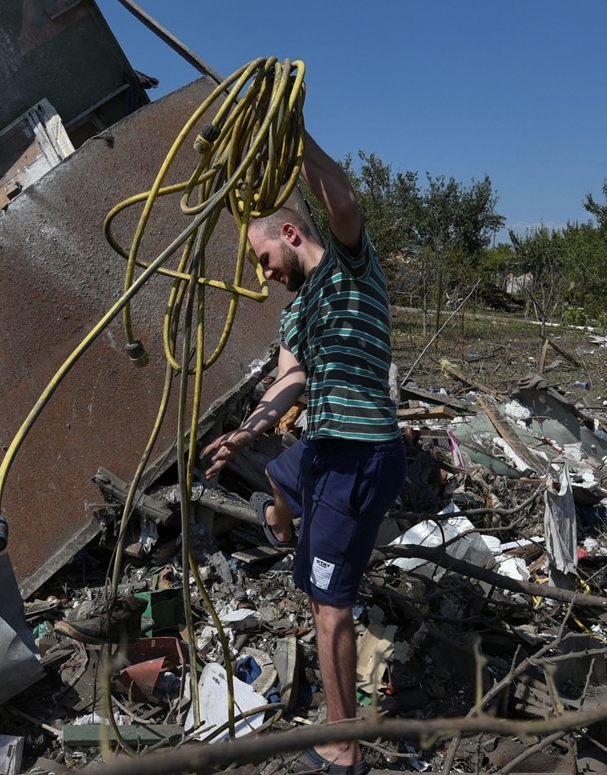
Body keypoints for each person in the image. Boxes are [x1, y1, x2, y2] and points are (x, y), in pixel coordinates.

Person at [204, 134, 403, 775]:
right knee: (274, 473)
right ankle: (287, 527)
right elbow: (289, 380)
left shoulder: (350, 264)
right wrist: (251, 426)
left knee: (329, 607)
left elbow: (340, 197)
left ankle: (344, 746)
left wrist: (295, 137)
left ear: (290, 233)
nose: (264, 275)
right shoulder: (297, 317)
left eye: (264, 259)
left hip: (359, 456)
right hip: (322, 450)